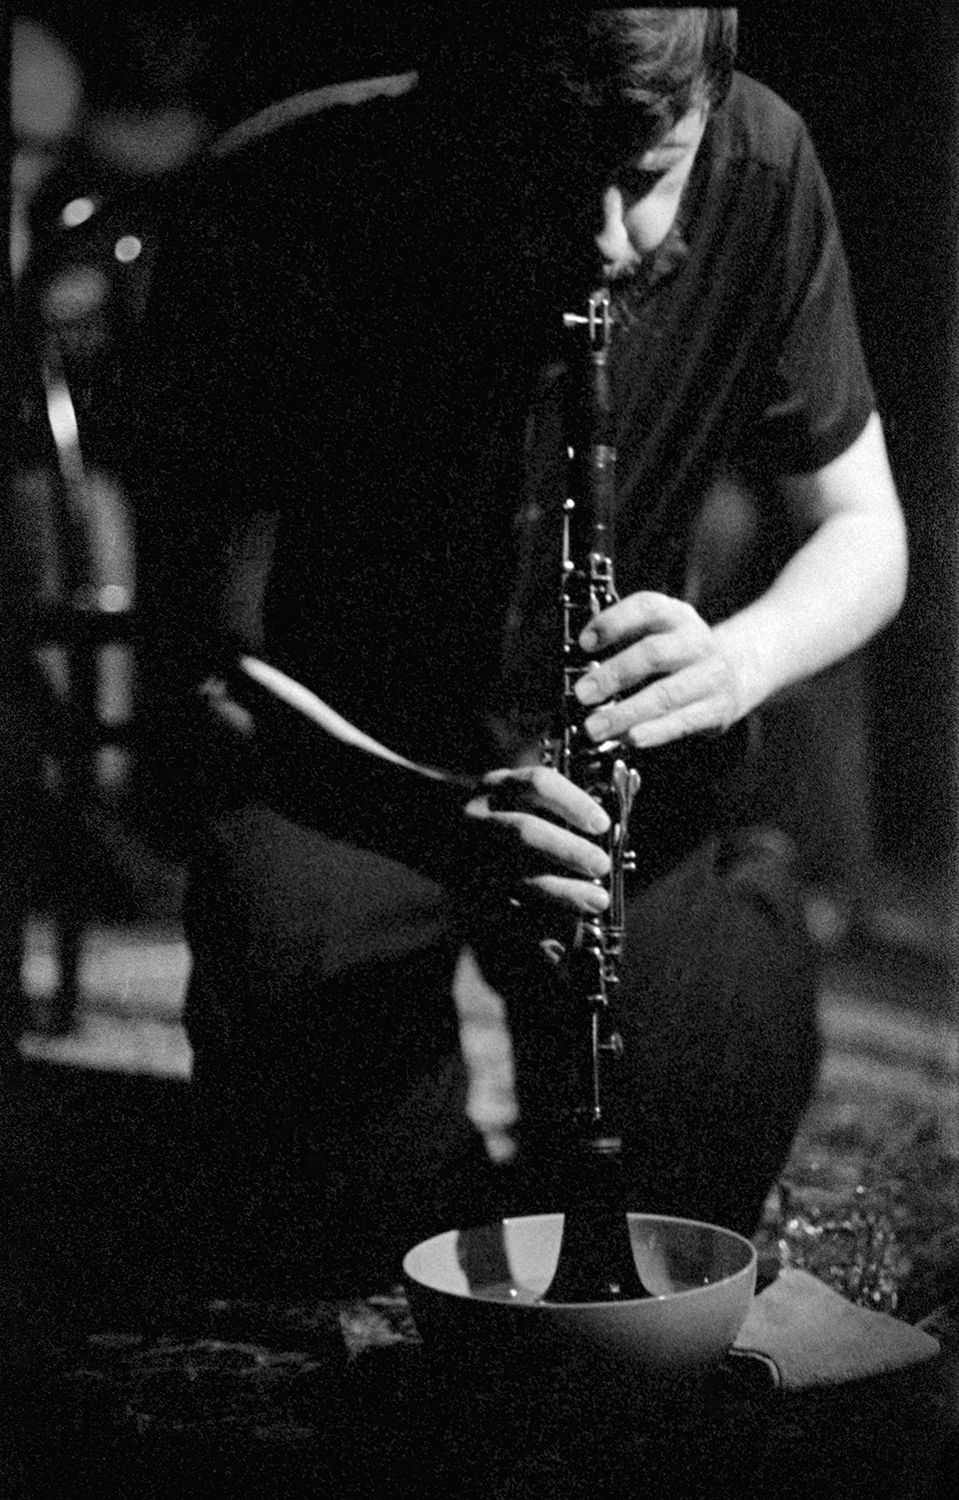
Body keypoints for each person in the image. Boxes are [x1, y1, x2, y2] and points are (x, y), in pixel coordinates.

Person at [135, 10, 907, 1294]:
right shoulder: (276, 195)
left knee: (685, 1194)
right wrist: (437, 817)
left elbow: (864, 532)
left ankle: (729, 899)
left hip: (616, 789)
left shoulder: (763, 165)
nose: (607, 241)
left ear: (711, 99)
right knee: (348, 1233)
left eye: (644, 178)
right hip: (345, 781)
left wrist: (737, 660)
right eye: (554, 179)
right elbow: (199, 652)